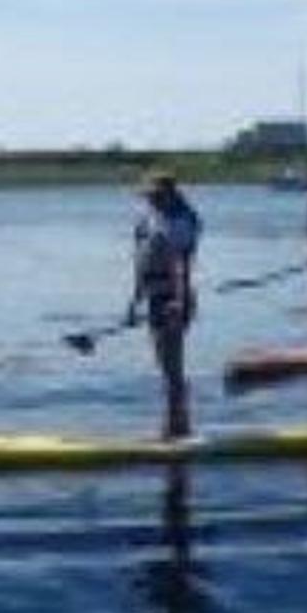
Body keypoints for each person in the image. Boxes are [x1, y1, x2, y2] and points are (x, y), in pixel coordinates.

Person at [127, 171, 202, 439]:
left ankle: (177, 427)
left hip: (173, 297)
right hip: (153, 296)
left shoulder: (180, 222)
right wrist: (134, 303)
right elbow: (139, 265)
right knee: (163, 363)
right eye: (150, 196)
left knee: (172, 363)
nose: (152, 200)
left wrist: (179, 302)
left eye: (157, 196)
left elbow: (183, 265)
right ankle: (176, 419)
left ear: (170, 194)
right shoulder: (146, 220)